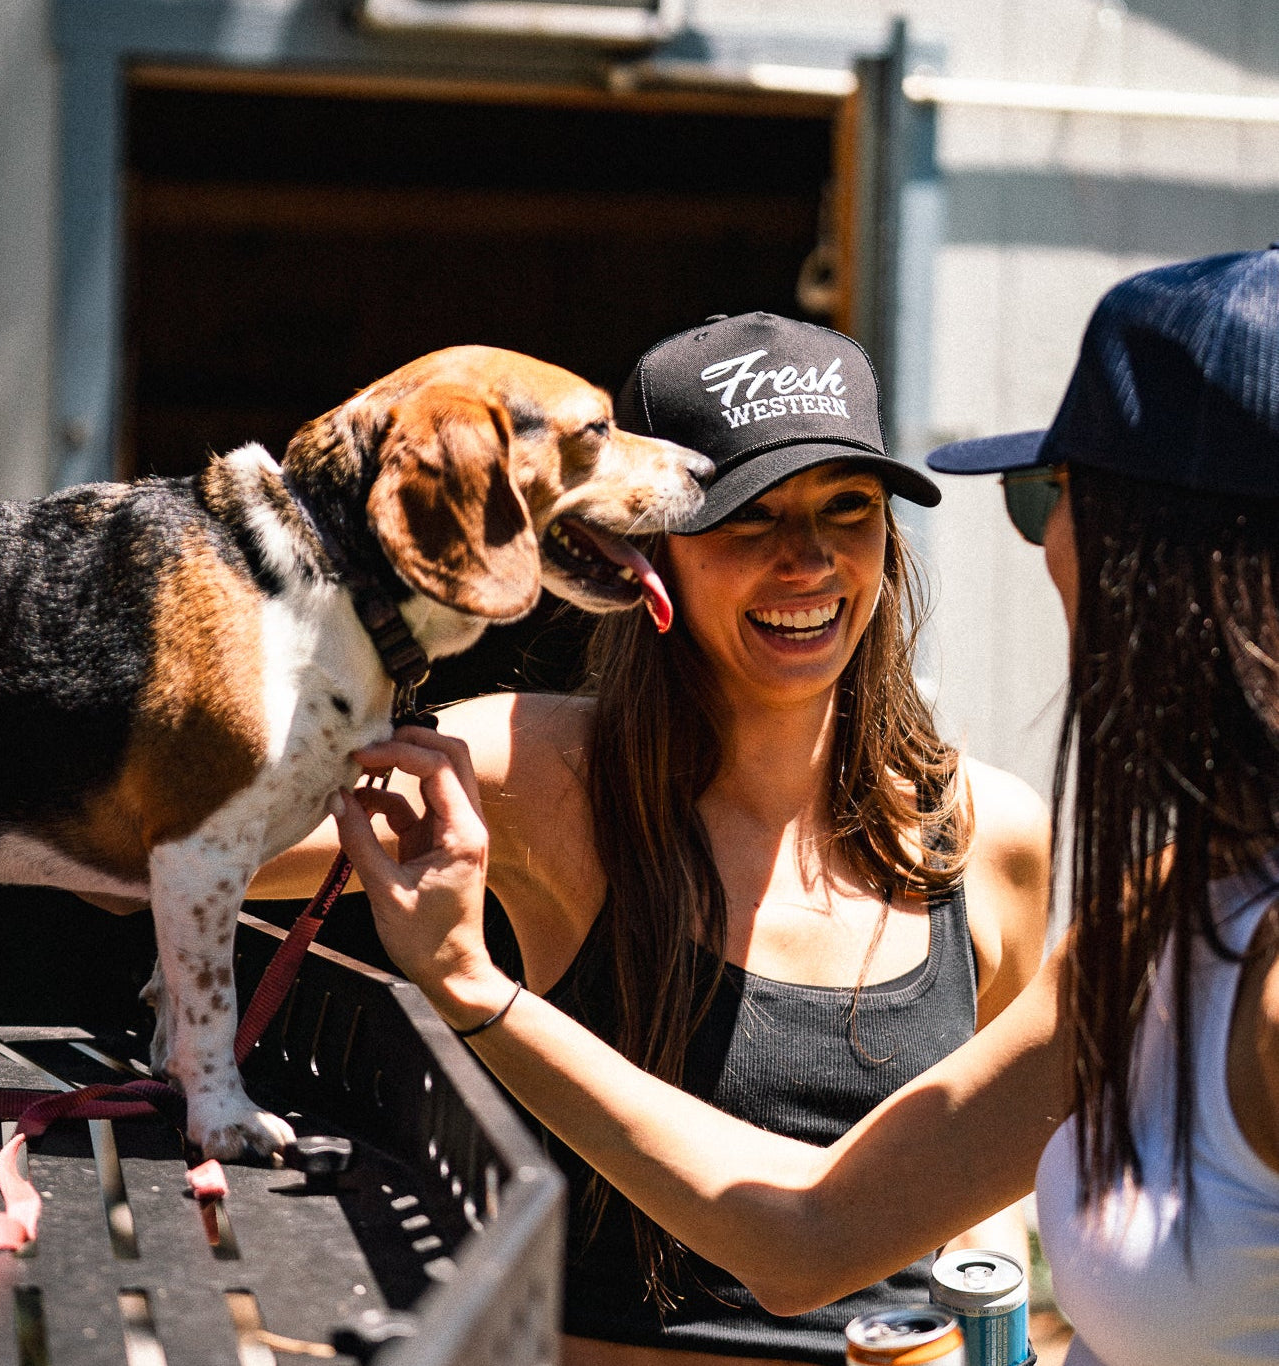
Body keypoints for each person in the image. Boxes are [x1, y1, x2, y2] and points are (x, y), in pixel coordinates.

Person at [332, 250, 1279, 1365]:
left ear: (1164, 563)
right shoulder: (1163, 915)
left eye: (1045, 497)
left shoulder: (1050, 858)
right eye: (749, 516)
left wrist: (472, 991)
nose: (810, 558)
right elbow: (810, 1235)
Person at [263, 311, 1050, 1365]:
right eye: (747, 519)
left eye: (846, 508)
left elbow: (988, 1182)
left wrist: (993, 1333)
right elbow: (159, 849)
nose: (807, 559)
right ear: (650, 546)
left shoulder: (990, 836)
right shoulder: (527, 772)